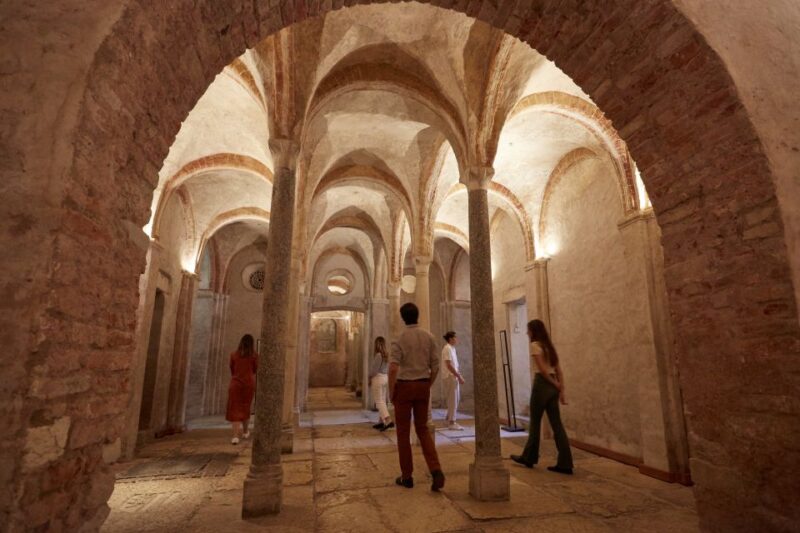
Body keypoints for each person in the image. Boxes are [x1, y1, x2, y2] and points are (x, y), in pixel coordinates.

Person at [388, 303, 445, 491]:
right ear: (418, 315)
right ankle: (436, 469)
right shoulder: (429, 337)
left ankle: (407, 477)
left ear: (403, 317)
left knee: (403, 433)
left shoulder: (400, 338)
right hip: (422, 385)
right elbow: (435, 366)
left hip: (404, 387)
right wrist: (428, 384)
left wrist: (391, 391)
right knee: (423, 430)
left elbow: (393, 367)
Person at [511, 319, 574, 474]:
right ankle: (566, 463)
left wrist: (555, 384)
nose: (527, 333)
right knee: (557, 424)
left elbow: (543, 371)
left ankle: (529, 457)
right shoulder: (549, 347)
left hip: (542, 384)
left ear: (533, 331)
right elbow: (558, 370)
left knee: (535, 423)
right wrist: (560, 388)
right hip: (553, 387)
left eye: (528, 330)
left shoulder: (535, 346)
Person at [226, 334, 257, 445]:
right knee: (245, 407)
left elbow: (232, 369)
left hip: (236, 384)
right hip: (248, 384)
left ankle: (235, 436)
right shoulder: (254, 356)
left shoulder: (234, 355)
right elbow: (255, 369)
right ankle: (245, 431)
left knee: (235, 409)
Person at [441, 331, 465, 430]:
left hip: (453, 376)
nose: (456, 339)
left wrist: (458, 375)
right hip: (450, 376)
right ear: (450, 339)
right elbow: (449, 365)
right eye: (455, 338)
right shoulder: (447, 348)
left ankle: (448, 418)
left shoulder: (452, 349)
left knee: (456, 398)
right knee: (453, 399)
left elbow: (454, 365)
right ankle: (452, 422)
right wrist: (458, 376)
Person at [370, 336, 394, 431]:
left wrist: (369, 376)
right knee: (382, 400)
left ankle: (388, 420)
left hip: (378, 378)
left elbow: (374, 370)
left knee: (379, 401)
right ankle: (381, 421)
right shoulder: (386, 355)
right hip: (385, 377)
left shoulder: (378, 355)